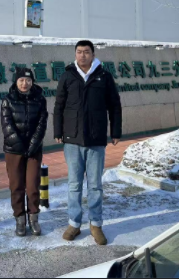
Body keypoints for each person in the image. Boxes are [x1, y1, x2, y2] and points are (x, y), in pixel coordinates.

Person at [54, 40, 123, 245]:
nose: (82, 55)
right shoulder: (68, 75)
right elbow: (59, 105)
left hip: (96, 139)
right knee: (74, 184)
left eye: (86, 52)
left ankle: (96, 224)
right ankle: (74, 223)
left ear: (93, 54)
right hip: (72, 139)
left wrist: (115, 131)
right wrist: (58, 130)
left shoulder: (104, 76)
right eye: (79, 52)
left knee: (95, 185)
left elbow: (114, 106)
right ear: (75, 54)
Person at [1, 68, 49, 237]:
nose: (24, 83)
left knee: (33, 186)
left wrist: (33, 144)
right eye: (21, 80)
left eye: (28, 80)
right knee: (16, 186)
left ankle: (33, 218)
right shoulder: (8, 100)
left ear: (32, 82)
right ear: (16, 81)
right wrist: (20, 145)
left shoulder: (40, 99)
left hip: (34, 149)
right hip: (14, 150)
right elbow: (7, 125)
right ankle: (20, 219)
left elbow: (42, 124)